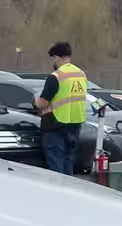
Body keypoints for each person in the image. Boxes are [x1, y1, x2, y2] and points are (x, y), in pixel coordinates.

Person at [34, 41, 89, 175]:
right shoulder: (81, 75)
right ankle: (68, 193)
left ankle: (57, 193)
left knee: (56, 167)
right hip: (75, 125)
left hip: (55, 125)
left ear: (56, 57)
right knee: (68, 163)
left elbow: (43, 103)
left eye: (52, 59)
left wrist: (34, 101)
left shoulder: (56, 77)